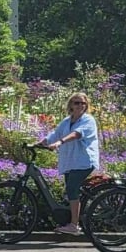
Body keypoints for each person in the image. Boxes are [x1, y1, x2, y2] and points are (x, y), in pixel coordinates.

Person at [42, 93, 100, 236]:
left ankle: (74, 225)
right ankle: (73, 220)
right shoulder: (67, 121)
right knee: (71, 190)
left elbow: (77, 134)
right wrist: (40, 143)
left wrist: (60, 142)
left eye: (83, 103)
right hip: (70, 161)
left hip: (84, 161)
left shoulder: (88, 120)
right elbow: (55, 134)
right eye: (76, 103)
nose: (80, 106)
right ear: (70, 105)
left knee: (72, 188)